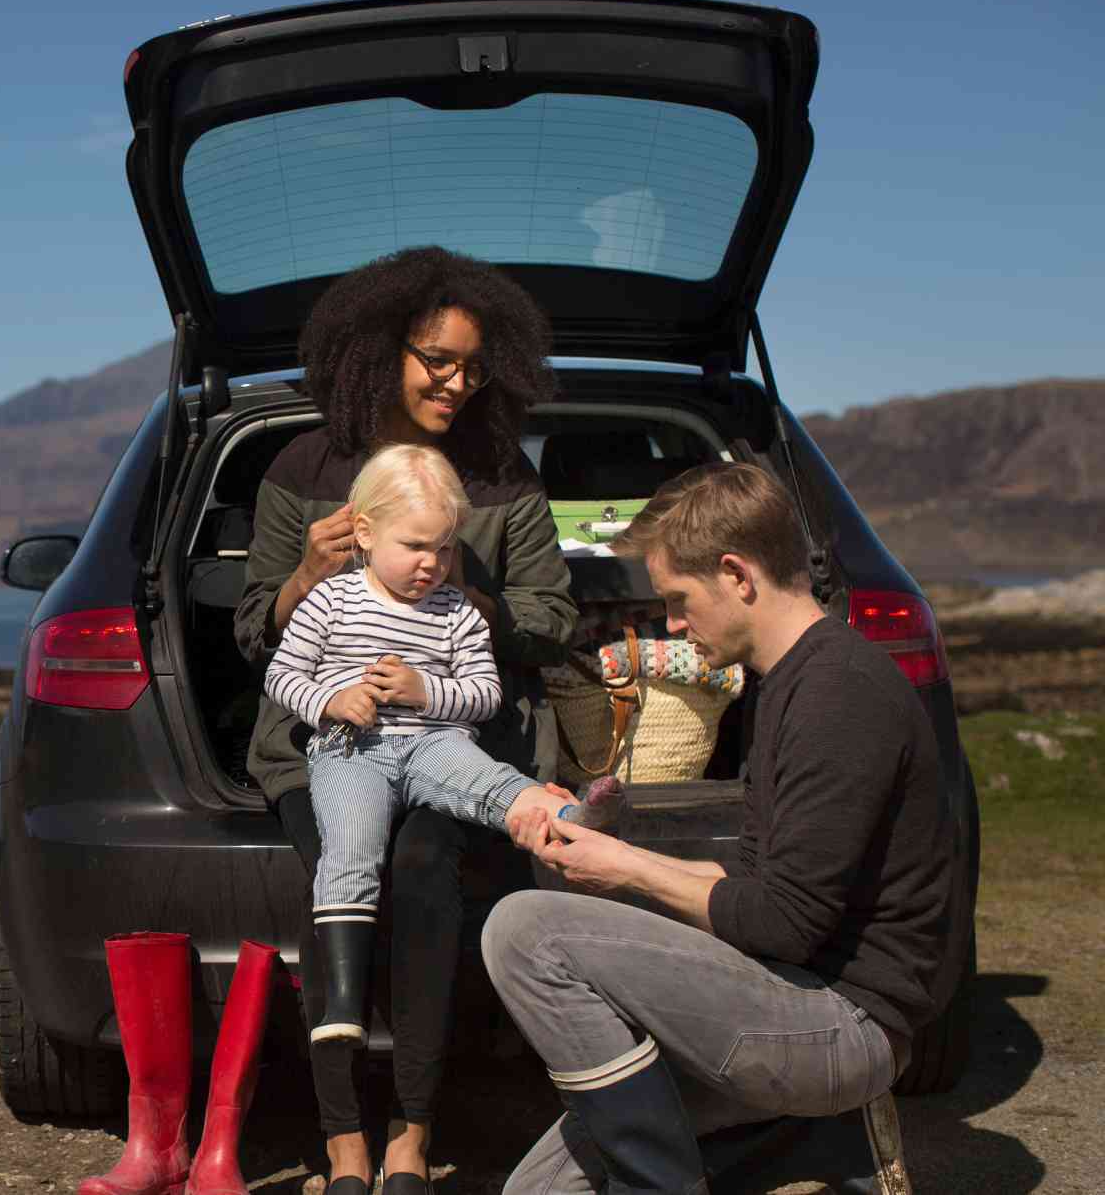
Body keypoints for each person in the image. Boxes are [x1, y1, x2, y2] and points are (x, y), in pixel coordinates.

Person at [484, 461, 959, 1195]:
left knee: (524, 931)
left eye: (678, 599)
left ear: (737, 574)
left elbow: (784, 923)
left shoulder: (839, 693)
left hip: (844, 1023)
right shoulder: (787, 684)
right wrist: (607, 851)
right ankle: (817, 1137)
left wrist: (626, 870)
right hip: (790, 992)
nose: (671, 623)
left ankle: (687, 1175)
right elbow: (756, 888)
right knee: (537, 1192)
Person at [234, 246, 577, 1194]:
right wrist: (306, 572)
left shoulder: (501, 478)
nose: (458, 382)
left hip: (449, 742)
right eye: (437, 359)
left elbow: (554, 621)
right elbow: (253, 632)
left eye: (473, 364)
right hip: (319, 747)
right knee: (339, 874)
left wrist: (474, 592)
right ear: (379, 349)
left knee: (427, 869)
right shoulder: (303, 468)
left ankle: (410, 1143)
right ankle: (344, 1145)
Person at [264, 443, 621, 1050]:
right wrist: (330, 702)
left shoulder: (457, 611)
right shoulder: (329, 600)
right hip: (352, 750)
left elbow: (484, 695)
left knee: (489, 783)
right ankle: (344, 1003)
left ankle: (570, 814)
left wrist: (423, 691)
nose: (431, 564)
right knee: (351, 849)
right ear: (367, 534)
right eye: (415, 546)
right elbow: (281, 675)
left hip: (434, 743)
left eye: (445, 548)